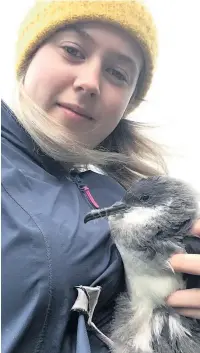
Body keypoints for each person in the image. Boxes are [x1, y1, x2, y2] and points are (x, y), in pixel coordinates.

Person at [1, 1, 200, 352]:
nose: (90, 82)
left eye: (117, 73)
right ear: (28, 56)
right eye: (73, 50)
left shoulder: (121, 193)